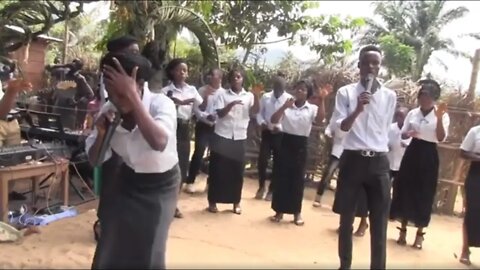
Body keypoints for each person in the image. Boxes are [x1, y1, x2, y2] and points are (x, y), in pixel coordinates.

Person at [87, 52, 179, 269]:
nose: (116, 101)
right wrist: (102, 134)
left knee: (149, 250)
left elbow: (158, 142)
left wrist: (134, 100)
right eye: (111, 93)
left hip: (161, 187)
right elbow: (96, 160)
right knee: (110, 245)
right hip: (127, 183)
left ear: (139, 85)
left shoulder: (161, 104)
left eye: (122, 93)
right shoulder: (109, 111)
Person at [331, 45, 397, 270]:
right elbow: (339, 130)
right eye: (366, 62)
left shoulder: (390, 96)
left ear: (380, 67)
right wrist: (358, 108)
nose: (370, 67)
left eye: (375, 63)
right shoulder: (346, 93)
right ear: (359, 65)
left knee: (379, 221)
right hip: (352, 160)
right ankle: (345, 265)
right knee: (346, 219)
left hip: (379, 162)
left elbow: (385, 130)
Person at [92, 35, 142, 242]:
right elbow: (111, 103)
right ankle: (105, 222)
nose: (137, 56)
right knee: (112, 182)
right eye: (133, 52)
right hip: (112, 130)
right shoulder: (112, 74)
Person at [390, 79, 449, 250]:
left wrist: (438, 119)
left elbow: (440, 137)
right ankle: (402, 231)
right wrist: (409, 133)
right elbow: (402, 134)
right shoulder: (413, 113)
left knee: (424, 192)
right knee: (406, 188)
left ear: (434, 98)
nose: (425, 100)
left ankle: (420, 235)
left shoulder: (441, 114)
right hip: (413, 151)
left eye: (428, 97)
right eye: (422, 96)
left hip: (429, 154)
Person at [269, 80, 327, 225]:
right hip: (285, 143)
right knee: (282, 178)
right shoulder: (287, 105)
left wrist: (322, 100)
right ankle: (279, 211)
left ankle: (296, 213)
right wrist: (284, 107)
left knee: (297, 180)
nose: (300, 91)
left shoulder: (311, 108)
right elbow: (273, 120)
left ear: (308, 93)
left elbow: (320, 120)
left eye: (303, 90)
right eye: (298, 89)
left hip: (300, 145)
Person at [207, 67, 259, 214]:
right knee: (217, 170)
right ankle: (213, 202)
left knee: (237, 171)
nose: (236, 79)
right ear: (229, 80)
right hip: (222, 135)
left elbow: (254, 112)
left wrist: (257, 97)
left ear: (243, 79)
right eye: (234, 77)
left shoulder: (249, 96)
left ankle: (236, 202)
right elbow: (220, 114)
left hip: (239, 137)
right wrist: (231, 104)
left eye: (239, 77)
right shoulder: (221, 94)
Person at [161, 58, 202, 218]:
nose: (183, 73)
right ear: (172, 72)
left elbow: (201, 110)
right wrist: (174, 103)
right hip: (170, 127)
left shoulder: (192, 90)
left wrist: (203, 107)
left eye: (185, 70)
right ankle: (165, 203)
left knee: (182, 166)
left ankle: (174, 203)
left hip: (184, 128)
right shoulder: (165, 91)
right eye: (180, 70)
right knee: (167, 164)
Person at [185, 68, 225, 194]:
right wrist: (205, 116)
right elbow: (196, 109)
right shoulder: (202, 90)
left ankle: (210, 183)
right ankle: (190, 181)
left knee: (215, 155)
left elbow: (223, 111)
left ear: (220, 78)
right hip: (203, 125)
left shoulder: (224, 93)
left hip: (217, 127)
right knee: (199, 152)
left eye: (213, 75)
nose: (210, 77)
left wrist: (216, 118)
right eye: (210, 75)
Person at [255, 73, 292, 201]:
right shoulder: (265, 97)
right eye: (276, 87)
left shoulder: (289, 100)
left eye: (280, 88)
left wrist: (280, 127)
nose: (278, 90)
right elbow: (259, 114)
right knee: (262, 160)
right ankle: (261, 186)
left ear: (284, 88)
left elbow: (290, 119)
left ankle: (272, 190)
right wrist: (262, 123)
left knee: (278, 162)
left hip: (280, 135)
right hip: (267, 133)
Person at [457, 125, 480, 265]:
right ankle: (465, 250)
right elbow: (463, 152)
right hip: (477, 174)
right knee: (472, 212)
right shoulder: (475, 131)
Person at [387, 107, 410, 182]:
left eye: (402, 116)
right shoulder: (390, 128)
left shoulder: (410, 130)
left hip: (403, 165)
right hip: (389, 163)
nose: (400, 118)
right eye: (398, 116)